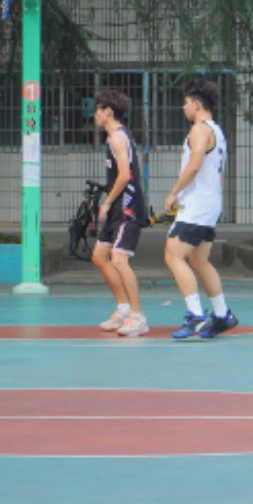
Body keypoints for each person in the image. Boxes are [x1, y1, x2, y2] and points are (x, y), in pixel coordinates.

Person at [162, 79, 238, 339]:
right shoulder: (217, 131)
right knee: (198, 260)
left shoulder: (199, 129)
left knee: (173, 256)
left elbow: (194, 166)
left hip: (197, 205)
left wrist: (174, 193)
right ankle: (222, 315)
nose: (183, 108)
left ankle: (196, 316)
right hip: (210, 202)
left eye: (185, 103)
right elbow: (219, 175)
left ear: (196, 105)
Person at [92, 88, 152, 337]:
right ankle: (124, 309)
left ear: (108, 111)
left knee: (119, 260)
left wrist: (106, 203)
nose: (94, 115)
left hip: (128, 207)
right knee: (99, 257)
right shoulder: (113, 137)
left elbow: (125, 175)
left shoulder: (118, 137)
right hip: (117, 207)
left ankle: (138, 317)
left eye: (97, 110)